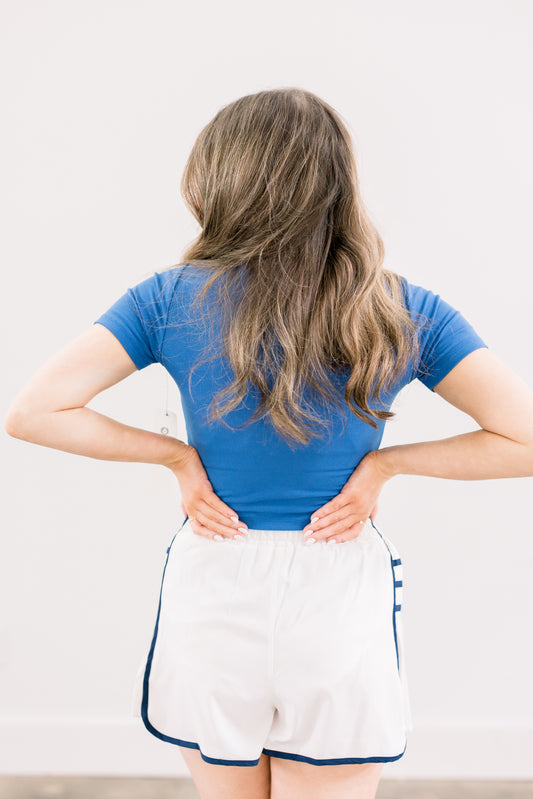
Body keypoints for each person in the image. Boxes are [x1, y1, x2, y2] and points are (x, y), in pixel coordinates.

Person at [5, 88, 533, 799]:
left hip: (216, 580)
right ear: (339, 187)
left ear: (219, 178)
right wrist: (386, 465)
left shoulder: (167, 298)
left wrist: (176, 458)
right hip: (335, 585)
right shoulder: (402, 308)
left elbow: (34, 410)